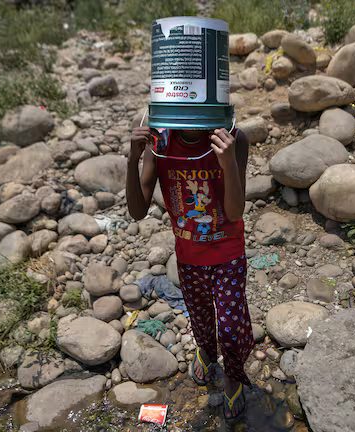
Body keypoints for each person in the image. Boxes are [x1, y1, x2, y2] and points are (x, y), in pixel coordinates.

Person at [126, 123, 252, 419]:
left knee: (231, 328)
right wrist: (133, 159)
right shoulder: (161, 142)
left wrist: (228, 162)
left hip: (228, 253)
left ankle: (233, 374)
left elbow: (235, 212)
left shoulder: (233, 138)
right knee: (200, 316)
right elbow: (137, 211)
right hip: (189, 255)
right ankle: (206, 350)